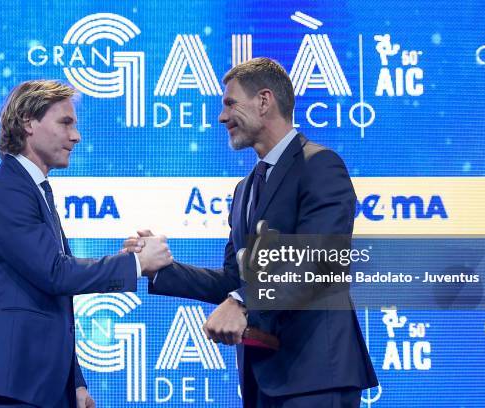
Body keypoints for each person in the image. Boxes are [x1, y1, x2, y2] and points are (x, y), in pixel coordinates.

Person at [125, 58, 378, 407]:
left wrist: (242, 302)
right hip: (263, 378)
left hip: (317, 375)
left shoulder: (319, 164)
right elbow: (234, 279)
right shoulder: (244, 189)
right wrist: (161, 269)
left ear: (264, 100)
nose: (222, 117)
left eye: (230, 103)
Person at [0, 80, 173, 407]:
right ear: (28, 122)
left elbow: (50, 302)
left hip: (33, 387)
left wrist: (75, 382)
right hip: (3, 389)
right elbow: (55, 273)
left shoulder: (33, 191)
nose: (76, 136)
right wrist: (136, 263)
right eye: (65, 123)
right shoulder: (6, 190)